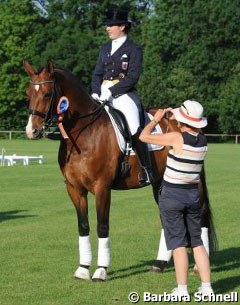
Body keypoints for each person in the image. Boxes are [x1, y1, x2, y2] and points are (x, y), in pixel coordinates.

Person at [140, 100, 214, 298]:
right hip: (192, 196)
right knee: (197, 243)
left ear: (183, 120)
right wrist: (177, 115)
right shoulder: (203, 141)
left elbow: (143, 136)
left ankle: (182, 290)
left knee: (178, 245)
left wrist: (156, 120)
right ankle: (207, 288)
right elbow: (188, 128)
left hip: (172, 195)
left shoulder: (175, 138)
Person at [91, 8, 153, 184]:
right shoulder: (104, 48)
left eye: (111, 25)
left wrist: (112, 91)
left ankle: (146, 169)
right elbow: (96, 74)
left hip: (124, 94)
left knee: (134, 127)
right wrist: (96, 92)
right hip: (101, 92)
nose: (108, 28)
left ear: (123, 26)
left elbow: (133, 77)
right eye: (108, 25)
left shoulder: (134, 49)